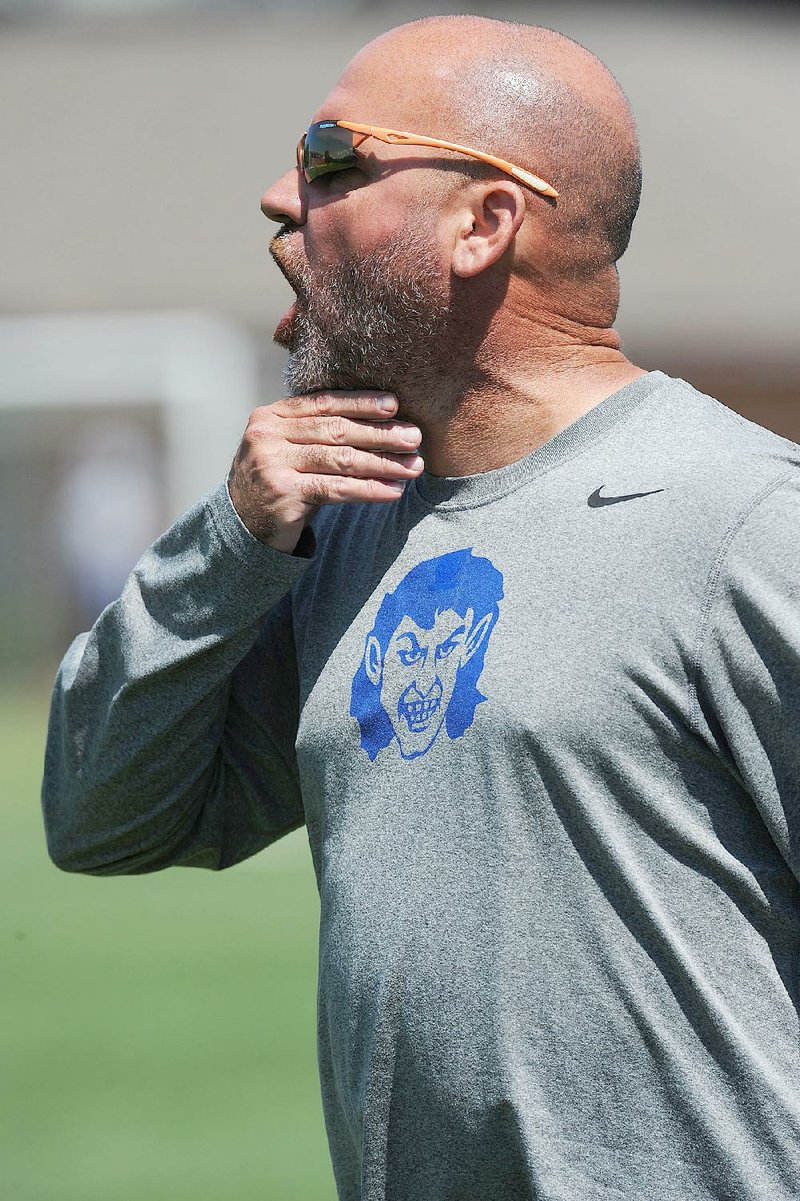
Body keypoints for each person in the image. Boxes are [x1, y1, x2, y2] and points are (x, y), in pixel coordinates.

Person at [41, 14, 800, 1200]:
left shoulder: (746, 525)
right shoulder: (333, 535)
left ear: (483, 222)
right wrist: (227, 541)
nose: (275, 199)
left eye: (330, 159)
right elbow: (103, 818)